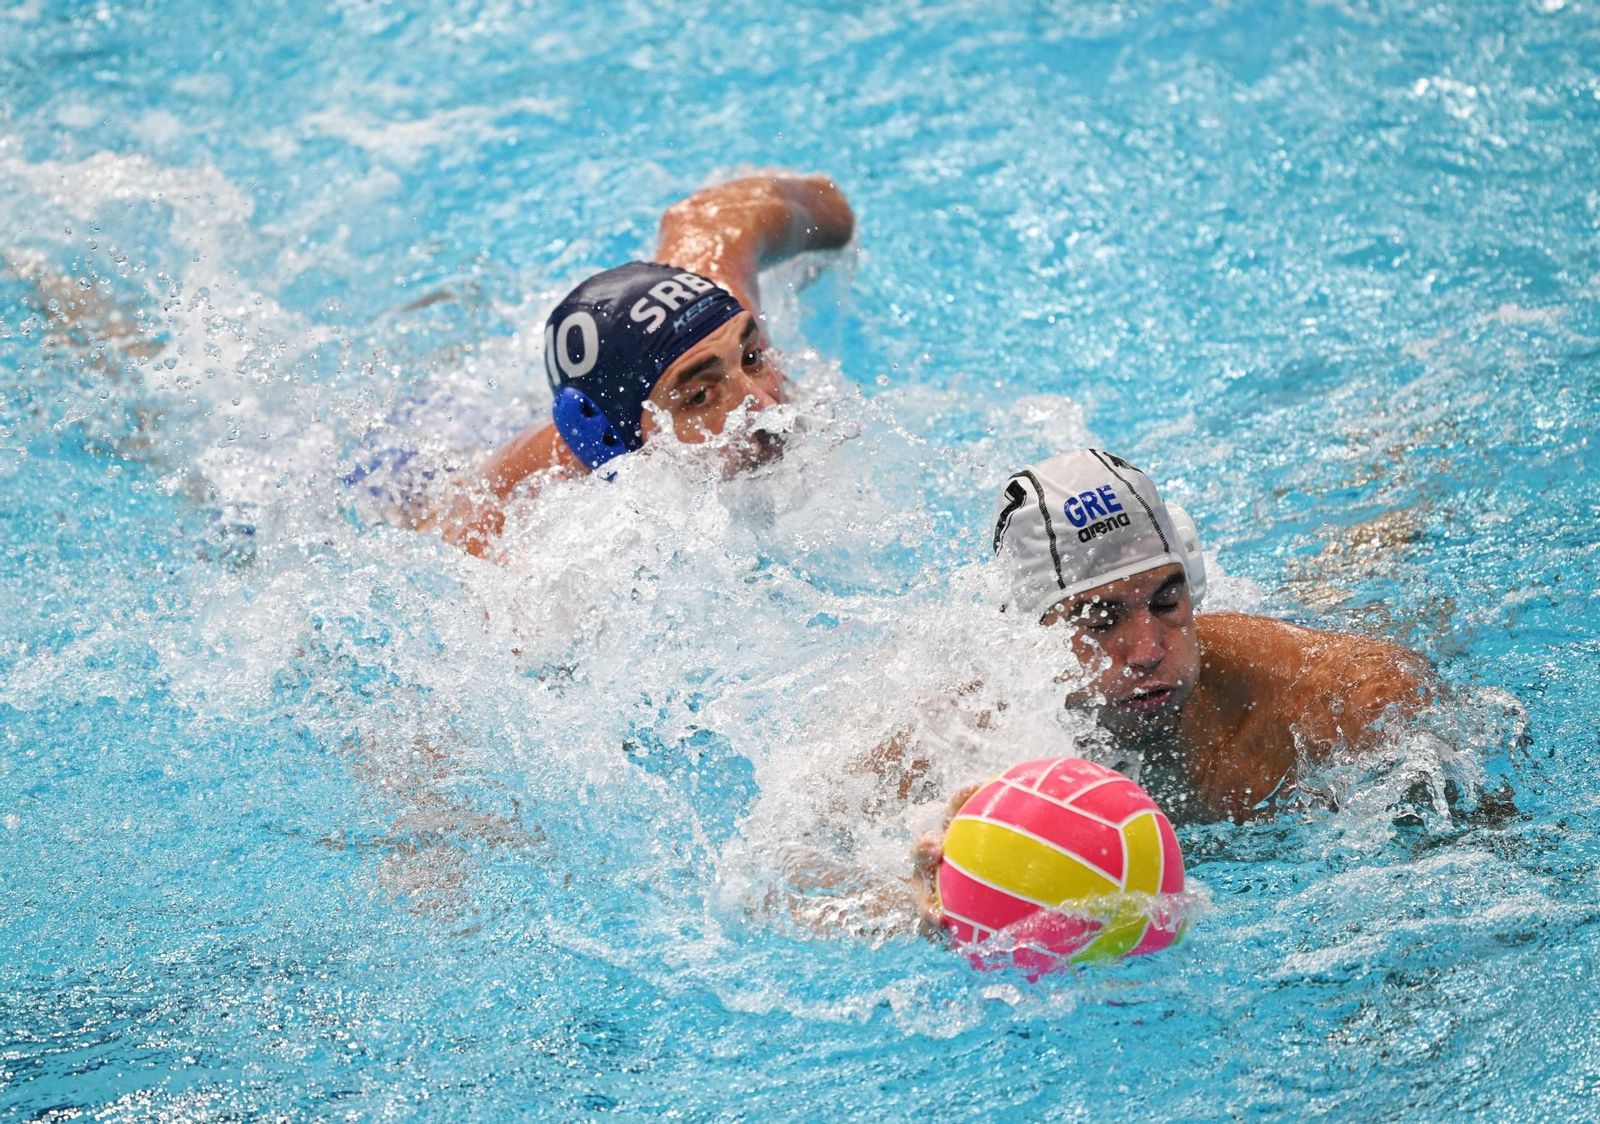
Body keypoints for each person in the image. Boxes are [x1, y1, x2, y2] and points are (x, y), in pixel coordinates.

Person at [906, 447, 1439, 928]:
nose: (1148, 651)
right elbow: (829, 879)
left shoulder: (1329, 697)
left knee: (1355, 578)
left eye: (1167, 602)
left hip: (1339, 622)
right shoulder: (960, 736)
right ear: (1027, 639)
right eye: (1101, 620)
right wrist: (921, 899)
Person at [441, 174, 855, 556]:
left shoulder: (720, 322)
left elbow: (714, 216)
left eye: (751, 359)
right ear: (610, 440)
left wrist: (838, 220)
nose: (764, 406)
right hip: (451, 446)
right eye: (700, 396)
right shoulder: (516, 515)